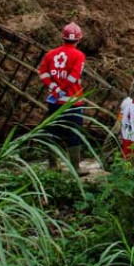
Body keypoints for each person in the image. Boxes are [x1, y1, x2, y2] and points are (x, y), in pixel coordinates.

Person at [38, 22, 87, 173]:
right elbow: (74, 77)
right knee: (74, 134)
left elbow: (42, 73)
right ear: (78, 39)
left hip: (55, 101)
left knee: (52, 131)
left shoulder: (50, 54)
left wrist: (55, 88)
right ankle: (75, 167)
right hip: (73, 102)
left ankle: (53, 165)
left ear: (63, 37)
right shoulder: (79, 55)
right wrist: (62, 89)